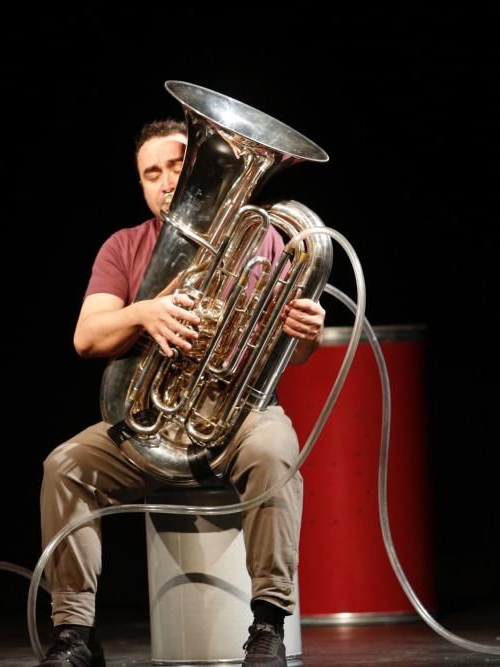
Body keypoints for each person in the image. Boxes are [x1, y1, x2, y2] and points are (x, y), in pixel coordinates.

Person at [38, 118, 325, 667]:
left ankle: (267, 624)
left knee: (273, 452)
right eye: (152, 173)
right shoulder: (123, 248)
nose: (166, 181)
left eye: (177, 166)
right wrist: (146, 311)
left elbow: (288, 349)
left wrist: (305, 334)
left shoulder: (261, 236)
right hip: (148, 421)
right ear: (141, 185)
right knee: (64, 467)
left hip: (239, 413)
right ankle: (74, 633)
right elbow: (86, 338)